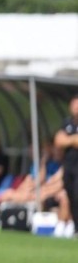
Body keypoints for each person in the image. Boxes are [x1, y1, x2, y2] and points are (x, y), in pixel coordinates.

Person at [53, 93, 78, 238]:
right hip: (68, 167)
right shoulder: (67, 123)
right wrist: (73, 139)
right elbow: (58, 141)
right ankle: (75, 227)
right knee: (70, 195)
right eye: (74, 105)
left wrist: (68, 139)